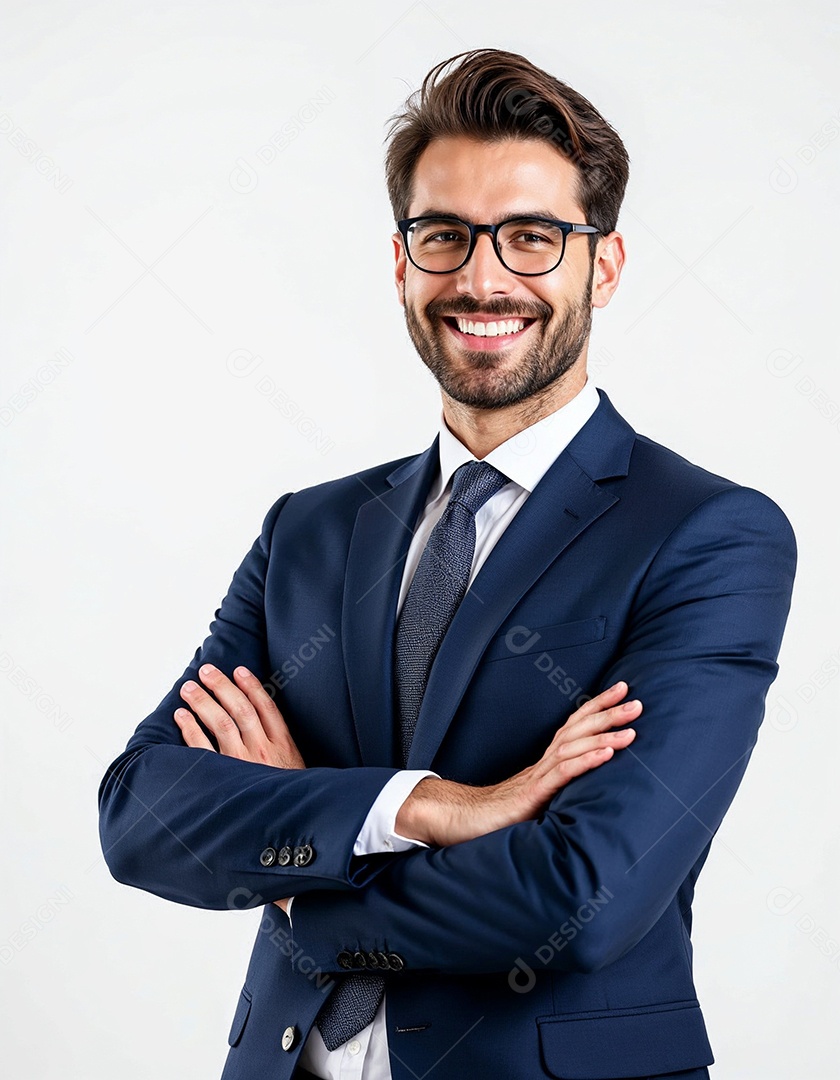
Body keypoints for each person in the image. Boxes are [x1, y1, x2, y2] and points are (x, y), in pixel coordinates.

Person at [98, 48, 797, 1080]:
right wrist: (421, 806)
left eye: (531, 238)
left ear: (601, 265)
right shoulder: (310, 531)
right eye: (445, 237)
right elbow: (142, 814)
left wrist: (300, 885)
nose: (481, 278)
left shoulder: (706, 536)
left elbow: (582, 895)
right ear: (399, 262)